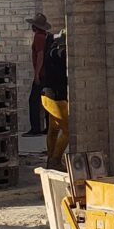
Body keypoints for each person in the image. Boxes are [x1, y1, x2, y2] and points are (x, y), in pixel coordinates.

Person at [41, 30, 69, 170]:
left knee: (53, 129)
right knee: (68, 130)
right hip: (58, 99)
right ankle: (55, 159)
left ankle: (50, 159)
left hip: (46, 96)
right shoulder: (61, 54)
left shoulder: (50, 52)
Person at [24, 13, 52, 137]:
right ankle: (48, 127)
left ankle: (35, 128)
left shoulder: (38, 37)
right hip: (47, 73)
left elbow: (40, 55)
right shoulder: (45, 36)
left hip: (41, 74)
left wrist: (36, 74)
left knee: (33, 100)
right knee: (47, 99)